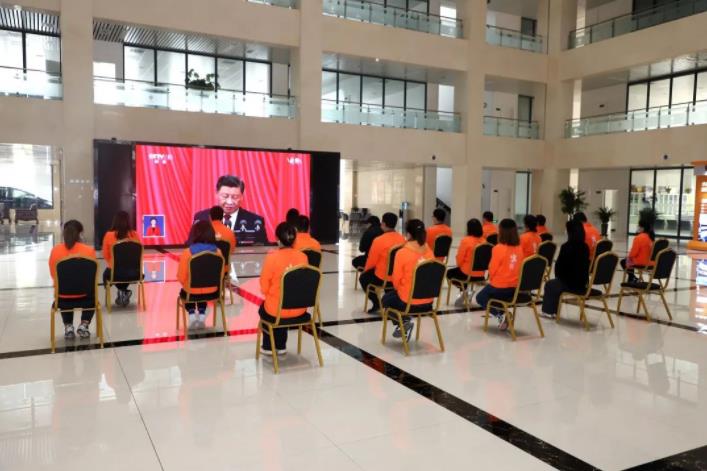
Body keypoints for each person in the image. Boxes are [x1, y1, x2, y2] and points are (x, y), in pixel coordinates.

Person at [258, 222, 308, 356]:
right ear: (294, 239)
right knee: (285, 301)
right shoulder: (303, 257)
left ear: (277, 239)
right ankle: (281, 345)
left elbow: (264, 287)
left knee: (265, 309)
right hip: (300, 309)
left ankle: (268, 346)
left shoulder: (272, 257)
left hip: (277, 310)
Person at [382, 219, 434, 340]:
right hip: (428, 302)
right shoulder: (430, 252)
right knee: (391, 298)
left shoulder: (402, 253)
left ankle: (404, 322)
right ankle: (404, 323)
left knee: (385, 300)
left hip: (409, 303)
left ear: (409, 234)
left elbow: (396, 281)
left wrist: (402, 287)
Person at [49, 220, 97, 340]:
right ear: (80, 234)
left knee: (65, 291)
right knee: (92, 295)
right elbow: (92, 276)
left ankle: (68, 327)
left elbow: (53, 275)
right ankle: (84, 324)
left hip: (62, 299)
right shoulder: (89, 251)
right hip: (85, 298)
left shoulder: (55, 250)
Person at [475, 219, 524, 331]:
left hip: (500, 286)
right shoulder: (519, 249)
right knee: (494, 294)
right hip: (515, 287)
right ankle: (503, 312)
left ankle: (501, 314)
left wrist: (492, 281)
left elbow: (492, 270)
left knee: (480, 297)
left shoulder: (498, 248)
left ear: (501, 232)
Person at [193, 175, 266, 245]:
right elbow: (191, 246)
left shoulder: (255, 221)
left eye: (235, 197)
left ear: (242, 197)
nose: (229, 202)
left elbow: (262, 249)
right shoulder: (201, 218)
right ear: (216, 194)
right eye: (225, 196)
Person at [177, 221, 223, 329]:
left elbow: (181, 277)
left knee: (187, 289)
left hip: (191, 292)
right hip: (213, 292)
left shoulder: (187, 252)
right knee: (202, 287)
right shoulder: (218, 252)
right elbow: (220, 276)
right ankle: (202, 314)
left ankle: (192, 313)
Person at [540, 220, 590, 319]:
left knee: (550, 284)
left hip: (569, 283)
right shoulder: (585, 247)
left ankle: (549, 311)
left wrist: (559, 278)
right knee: (556, 284)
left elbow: (559, 267)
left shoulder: (566, 247)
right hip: (582, 283)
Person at [360, 212, 406, 313]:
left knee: (363, 278)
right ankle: (390, 304)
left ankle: (377, 304)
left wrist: (365, 271)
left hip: (382, 277)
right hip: (397, 276)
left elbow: (372, 261)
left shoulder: (379, 240)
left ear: (383, 223)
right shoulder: (402, 239)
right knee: (389, 279)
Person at [102, 211, 140, 307]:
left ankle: (123, 292)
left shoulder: (109, 235)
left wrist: (113, 264)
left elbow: (105, 255)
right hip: (134, 272)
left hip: (115, 272)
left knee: (107, 274)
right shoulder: (135, 235)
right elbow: (139, 255)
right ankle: (123, 292)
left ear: (115, 221)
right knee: (125, 272)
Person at [446, 218, 485, 306]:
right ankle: (467, 291)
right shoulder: (484, 241)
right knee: (461, 271)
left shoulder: (466, 241)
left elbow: (459, 260)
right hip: (481, 275)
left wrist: (460, 265)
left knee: (449, 273)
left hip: (467, 274)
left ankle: (464, 290)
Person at [621, 218, 655, 282]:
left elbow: (633, 253)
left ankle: (632, 277)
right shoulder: (651, 237)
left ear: (642, 228)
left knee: (624, 261)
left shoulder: (639, 237)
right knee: (629, 260)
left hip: (642, 262)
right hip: (651, 262)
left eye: (638, 226)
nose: (637, 227)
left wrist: (628, 257)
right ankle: (632, 278)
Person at [209, 205, 236, 277]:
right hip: (224, 269)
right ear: (222, 217)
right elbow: (231, 251)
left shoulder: (204, 232)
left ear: (210, 217)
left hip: (206, 268)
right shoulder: (230, 232)